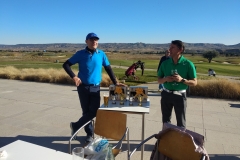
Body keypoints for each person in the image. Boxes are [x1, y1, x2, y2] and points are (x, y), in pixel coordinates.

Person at [63, 32, 125, 143]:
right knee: (86, 112)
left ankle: (75, 125)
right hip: (83, 88)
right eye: (91, 40)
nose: (94, 42)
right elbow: (66, 65)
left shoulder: (101, 54)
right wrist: (74, 77)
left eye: (96, 40)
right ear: (86, 41)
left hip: (96, 88)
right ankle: (89, 134)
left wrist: (115, 82)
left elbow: (108, 68)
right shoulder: (80, 54)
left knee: (94, 112)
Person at [157, 40, 197, 128]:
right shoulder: (165, 63)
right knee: (165, 122)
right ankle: (166, 141)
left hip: (180, 96)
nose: (169, 49)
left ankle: (180, 141)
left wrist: (182, 80)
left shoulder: (188, 64)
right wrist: (166, 79)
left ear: (180, 50)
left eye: (172, 47)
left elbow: (194, 82)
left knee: (181, 123)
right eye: (170, 47)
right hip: (166, 94)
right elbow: (159, 80)